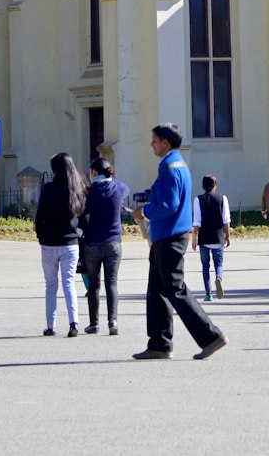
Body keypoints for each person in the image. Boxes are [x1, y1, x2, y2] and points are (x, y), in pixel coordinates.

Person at [132, 123, 226, 361]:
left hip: (170, 235)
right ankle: (159, 344)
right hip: (165, 235)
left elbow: (168, 205)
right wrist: (149, 197)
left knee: (175, 288)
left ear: (166, 142)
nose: (152, 143)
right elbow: (164, 197)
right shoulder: (173, 164)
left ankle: (210, 336)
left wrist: (145, 212)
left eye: (155, 139)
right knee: (157, 291)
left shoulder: (171, 168)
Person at [34, 152, 86, 338]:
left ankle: (51, 325)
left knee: (50, 285)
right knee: (69, 283)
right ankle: (74, 323)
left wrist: (41, 234)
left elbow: (40, 216)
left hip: (49, 242)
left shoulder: (48, 189)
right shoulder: (77, 189)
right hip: (70, 242)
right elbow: (84, 217)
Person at [81, 155, 129, 334]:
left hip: (92, 242)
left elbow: (83, 211)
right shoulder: (119, 187)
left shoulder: (89, 190)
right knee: (112, 283)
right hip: (113, 242)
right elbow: (125, 191)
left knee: (94, 284)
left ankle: (94, 323)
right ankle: (113, 322)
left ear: (94, 172)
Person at [191, 173, 231, 301]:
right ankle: (218, 278)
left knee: (205, 266)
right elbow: (226, 220)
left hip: (204, 238)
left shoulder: (198, 200)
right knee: (218, 264)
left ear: (203, 186)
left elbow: (197, 222)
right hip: (218, 237)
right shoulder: (222, 198)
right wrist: (228, 236)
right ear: (215, 185)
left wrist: (194, 238)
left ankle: (208, 294)